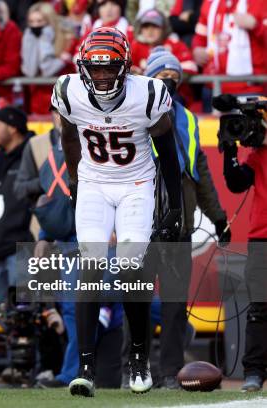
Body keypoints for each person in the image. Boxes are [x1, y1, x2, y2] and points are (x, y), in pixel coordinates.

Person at [51, 27, 182, 397]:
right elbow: (68, 138)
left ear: (125, 67)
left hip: (136, 184)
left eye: (110, 68)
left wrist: (174, 204)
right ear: (83, 68)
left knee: (128, 266)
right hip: (94, 183)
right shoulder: (68, 91)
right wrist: (77, 185)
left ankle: (139, 359)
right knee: (90, 268)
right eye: (96, 68)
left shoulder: (148, 94)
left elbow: (168, 154)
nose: (103, 75)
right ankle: (85, 367)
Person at [143, 47, 230, 389]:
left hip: (179, 226)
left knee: (176, 306)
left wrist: (219, 219)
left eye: (173, 78)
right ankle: (132, 369)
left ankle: (169, 373)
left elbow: (202, 177)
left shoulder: (190, 121)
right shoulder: (134, 115)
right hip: (143, 224)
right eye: (162, 77)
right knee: (136, 300)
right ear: (148, 78)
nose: (168, 82)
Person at [221, 113, 267, 392]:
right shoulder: (259, 155)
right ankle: (254, 371)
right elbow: (237, 183)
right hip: (262, 236)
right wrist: (229, 150)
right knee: (259, 308)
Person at [0, 106, 34, 307]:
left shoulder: (34, 154)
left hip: (23, 248)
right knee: (2, 311)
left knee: (26, 311)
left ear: (13, 128)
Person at [192, 0, 266, 110]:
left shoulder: (261, 2)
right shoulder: (209, 2)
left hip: (249, 88)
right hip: (212, 87)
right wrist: (196, 49)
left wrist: (256, 26)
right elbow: (200, 36)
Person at [21, 2, 76, 115]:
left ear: (50, 21)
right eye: (31, 22)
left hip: (63, 100)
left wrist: (44, 39)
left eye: (40, 21)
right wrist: (32, 42)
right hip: (37, 100)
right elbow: (29, 71)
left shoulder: (68, 39)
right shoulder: (30, 37)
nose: (35, 26)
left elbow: (47, 69)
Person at [130, 9, 197, 76]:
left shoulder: (175, 45)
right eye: (146, 26)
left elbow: (191, 67)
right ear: (140, 29)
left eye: (155, 26)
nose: (150, 31)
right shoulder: (136, 46)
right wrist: (134, 72)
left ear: (164, 28)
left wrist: (164, 71)